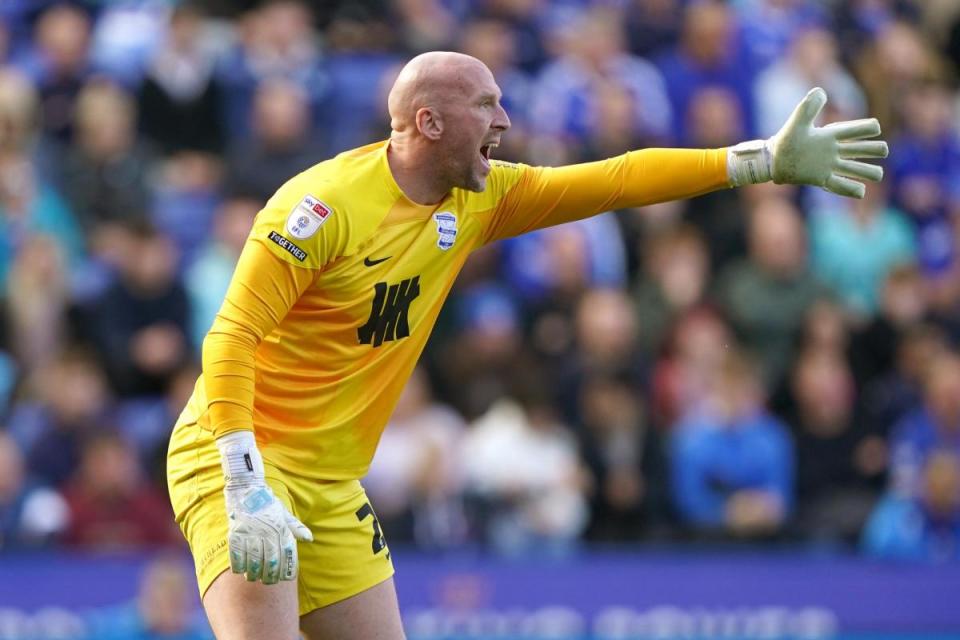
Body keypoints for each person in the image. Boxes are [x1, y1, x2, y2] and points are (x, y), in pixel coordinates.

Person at [166, 51, 886, 639]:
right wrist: (243, 478)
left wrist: (752, 162)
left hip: (329, 481)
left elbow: (615, 180)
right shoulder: (318, 208)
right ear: (428, 120)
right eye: (485, 106)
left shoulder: (479, 198)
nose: (505, 121)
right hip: (238, 458)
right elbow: (230, 337)